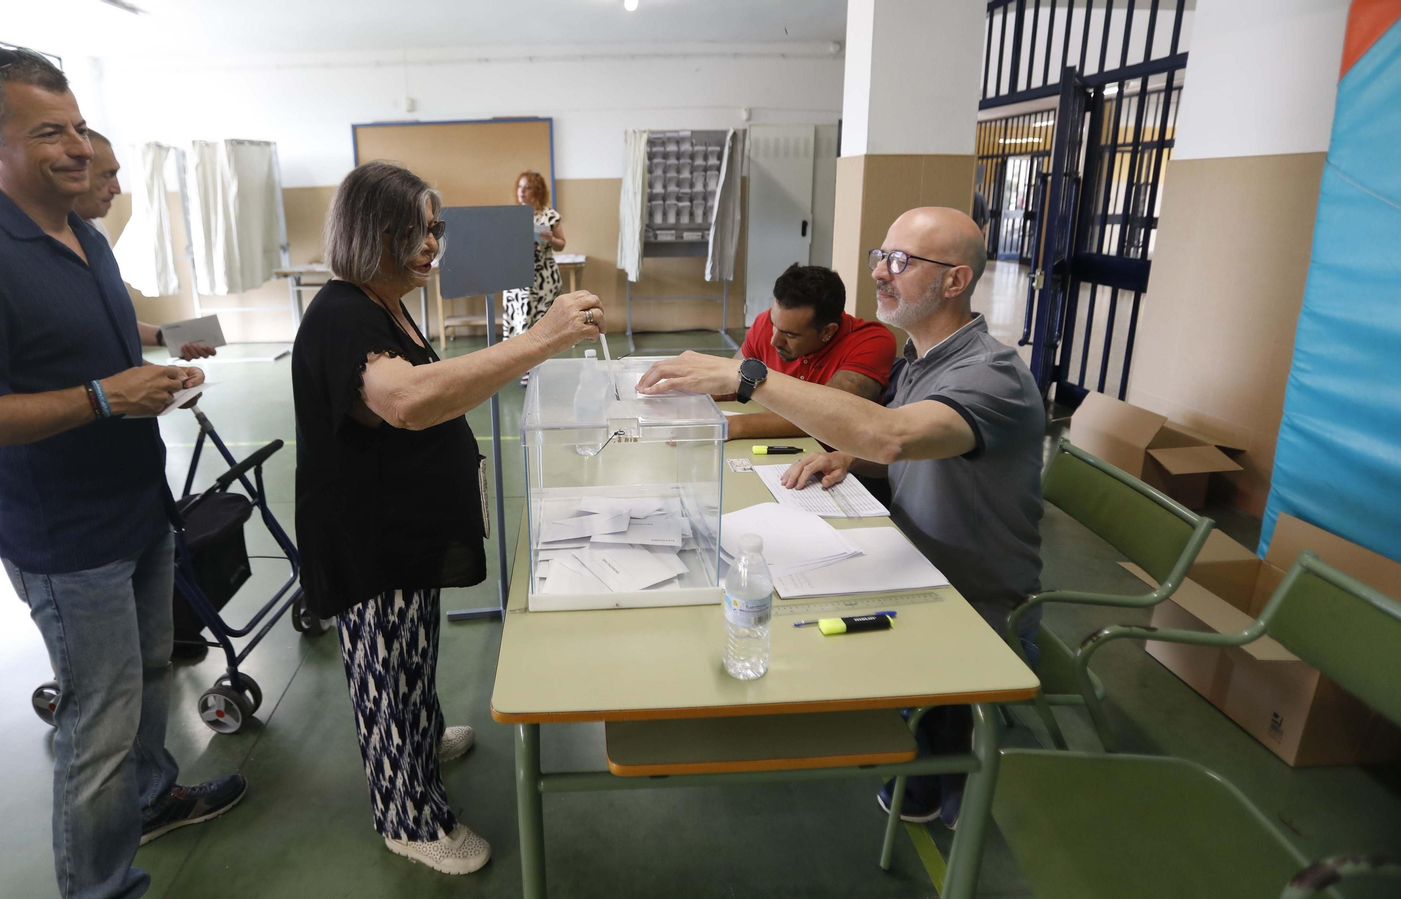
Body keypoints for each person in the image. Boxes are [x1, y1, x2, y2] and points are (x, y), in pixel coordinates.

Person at [0, 48, 246, 899]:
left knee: (154, 671)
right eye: (48, 132)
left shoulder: (81, 234)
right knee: (99, 718)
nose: (79, 149)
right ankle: (97, 885)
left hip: (139, 506)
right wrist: (103, 396)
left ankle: (153, 798)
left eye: (79, 128)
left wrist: (156, 363)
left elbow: (92, 345)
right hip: (65, 536)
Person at [636, 206, 1046, 830]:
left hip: (972, 602)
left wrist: (747, 375)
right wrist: (849, 457)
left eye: (901, 261)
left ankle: (948, 752)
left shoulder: (989, 375)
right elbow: (904, 444)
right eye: (881, 256)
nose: (880, 272)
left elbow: (894, 436)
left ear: (955, 281)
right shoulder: (921, 361)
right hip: (910, 563)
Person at [292, 161, 603, 875]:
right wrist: (540, 338)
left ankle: (422, 738)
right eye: (414, 230)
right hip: (367, 538)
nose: (432, 243)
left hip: (404, 527)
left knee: (414, 655)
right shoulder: (342, 314)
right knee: (385, 672)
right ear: (369, 233)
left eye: (435, 228)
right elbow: (406, 401)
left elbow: (439, 391)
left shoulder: (387, 304)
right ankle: (407, 817)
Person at [72, 129, 215, 362]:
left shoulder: (95, 231)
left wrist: (166, 339)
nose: (117, 189)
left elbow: (112, 320)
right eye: (106, 175)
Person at [722, 263, 894, 440]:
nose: (774, 341)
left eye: (790, 335)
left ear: (827, 332)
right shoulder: (767, 323)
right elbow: (730, 385)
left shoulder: (872, 342)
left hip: (832, 453)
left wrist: (734, 426)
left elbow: (830, 416)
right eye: (774, 325)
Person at [502, 170, 565, 343]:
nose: (522, 191)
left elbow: (561, 244)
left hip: (544, 277)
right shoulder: (511, 214)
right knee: (519, 325)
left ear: (537, 191)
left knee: (544, 327)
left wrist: (551, 239)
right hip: (517, 277)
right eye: (520, 187)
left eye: (528, 187)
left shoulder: (549, 215)